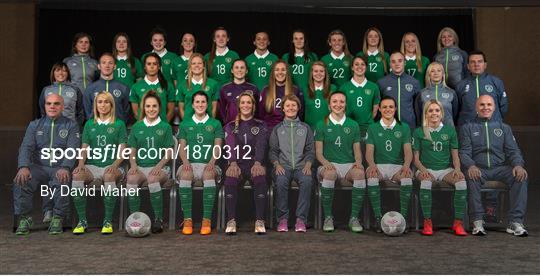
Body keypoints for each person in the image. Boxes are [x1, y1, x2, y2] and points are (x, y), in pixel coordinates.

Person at [459, 95, 528, 237]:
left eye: (489, 105)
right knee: (471, 176)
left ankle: (515, 222)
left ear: (494, 107)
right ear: (476, 107)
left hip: (500, 168)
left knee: (520, 176)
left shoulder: (504, 128)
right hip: (479, 168)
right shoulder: (468, 128)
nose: (486, 108)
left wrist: (518, 165)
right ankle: (477, 221)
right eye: (482, 105)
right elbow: (464, 152)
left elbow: (513, 151)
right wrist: (471, 165)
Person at [13, 94, 80, 235]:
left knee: (63, 179)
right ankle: (24, 218)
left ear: (62, 106)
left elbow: (72, 149)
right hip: (39, 167)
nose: (52, 106)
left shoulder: (71, 125)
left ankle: (58, 217)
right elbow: (26, 147)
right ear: (44, 106)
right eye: (49, 103)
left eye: (56, 104)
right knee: (20, 179)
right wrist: (23, 166)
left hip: (59, 166)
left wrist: (66, 167)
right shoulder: (35, 125)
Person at [71, 91, 128, 234]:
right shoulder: (90, 124)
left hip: (113, 166)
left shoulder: (119, 124)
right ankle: (82, 221)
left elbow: (122, 152)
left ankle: (107, 220)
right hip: (92, 166)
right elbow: (84, 149)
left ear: (111, 105)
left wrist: (114, 165)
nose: (103, 105)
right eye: (100, 102)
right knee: (77, 176)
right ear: (95, 105)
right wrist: (80, 165)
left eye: (106, 102)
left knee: (109, 176)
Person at [412, 99, 467, 236]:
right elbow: (416, 159)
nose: (434, 113)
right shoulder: (419, 132)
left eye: (437, 110)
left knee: (461, 183)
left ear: (442, 113)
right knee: (425, 182)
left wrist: (458, 169)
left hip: (445, 169)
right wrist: (423, 170)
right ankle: (427, 222)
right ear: (425, 114)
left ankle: (458, 222)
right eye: (430, 111)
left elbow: (455, 155)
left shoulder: (450, 131)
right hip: (425, 168)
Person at [315, 91, 366, 233]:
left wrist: (358, 162)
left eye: (341, 102)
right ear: (329, 105)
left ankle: (354, 218)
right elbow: (318, 152)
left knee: (360, 174)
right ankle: (328, 217)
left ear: (345, 105)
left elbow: (357, 150)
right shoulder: (321, 124)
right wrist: (325, 162)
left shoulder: (353, 125)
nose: (338, 104)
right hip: (329, 164)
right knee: (330, 174)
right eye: (335, 101)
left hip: (348, 165)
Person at [126, 91, 175, 233]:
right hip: (141, 166)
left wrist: (159, 166)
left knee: (153, 178)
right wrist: (134, 165)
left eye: (154, 106)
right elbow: (132, 151)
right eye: (148, 106)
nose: (151, 109)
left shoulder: (165, 127)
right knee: (131, 178)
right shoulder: (137, 127)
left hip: (161, 168)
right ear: (143, 108)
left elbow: (169, 153)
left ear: (159, 108)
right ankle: (134, 219)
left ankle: (158, 219)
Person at [177, 91, 224, 235]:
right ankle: (188, 219)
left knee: (209, 172)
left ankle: (206, 220)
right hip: (189, 164)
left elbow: (218, 146)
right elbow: (181, 147)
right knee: (185, 173)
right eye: (197, 102)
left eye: (203, 102)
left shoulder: (215, 123)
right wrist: (185, 162)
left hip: (209, 164)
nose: (200, 105)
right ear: (192, 104)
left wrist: (212, 161)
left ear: (207, 104)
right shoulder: (185, 124)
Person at [223, 92, 269, 234]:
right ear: (238, 106)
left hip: (254, 164)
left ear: (253, 106)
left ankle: (260, 220)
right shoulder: (230, 126)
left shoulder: (260, 125)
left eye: (249, 102)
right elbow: (230, 145)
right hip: (237, 164)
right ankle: (231, 220)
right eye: (242, 102)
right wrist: (232, 163)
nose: (246, 105)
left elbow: (261, 145)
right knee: (230, 178)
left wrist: (258, 163)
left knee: (260, 177)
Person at [365, 96, 413, 232]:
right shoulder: (373, 127)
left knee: (407, 178)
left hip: (397, 166)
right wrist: (372, 165)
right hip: (378, 165)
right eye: (384, 107)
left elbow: (408, 151)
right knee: (372, 178)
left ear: (396, 109)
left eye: (391, 107)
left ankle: (403, 218)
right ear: (379, 109)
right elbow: (369, 152)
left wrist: (406, 165)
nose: (388, 109)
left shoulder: (403, 127)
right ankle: (378, 218)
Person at [269, 94, 314, 233]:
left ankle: (301, 220)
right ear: (283, 108)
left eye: (294, 105)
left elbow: (310, 150)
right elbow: (272, 151)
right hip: (283, 166)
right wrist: (277, 164)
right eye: (288, 105)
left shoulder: (306, 128)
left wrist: (308, 165)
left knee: (307, 181)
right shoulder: (277, 129)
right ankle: (282, 219)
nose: (291, 108)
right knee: (281, 181)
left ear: (298, 108)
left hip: (301, 167)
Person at [456, 50, 508, 126]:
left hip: (493, 126)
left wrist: (496, 120)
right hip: (468, 128)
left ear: (485, 65)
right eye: (472, 62)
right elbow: (456, 109)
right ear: (468, 66)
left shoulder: (496, 82)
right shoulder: (461, 85)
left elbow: (504, 107)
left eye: (479, 61)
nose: (476, 64)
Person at [338, 55, 380, 141]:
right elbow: (340, 109)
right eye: (356, 64)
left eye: (362, 64)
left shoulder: (374, 87)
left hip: (369, 129)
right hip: (349, 128)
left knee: (368, 153)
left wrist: (366, 121)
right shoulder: (344, 87)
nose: (359, 67)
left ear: (366, 67)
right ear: (352, 67)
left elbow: (375, 110)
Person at [377, 51, 421, 130]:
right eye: (393, 62)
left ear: (404, 62)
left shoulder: (414, 82)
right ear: (390, 64)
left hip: (409, 126)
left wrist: (418, 125)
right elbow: (378, 107)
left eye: (400, 61)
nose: (397, 64)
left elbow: (418, 107)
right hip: (387, 126)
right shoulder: (381, 82)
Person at [83, 53, 131, 124]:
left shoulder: (123, 88)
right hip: (96, 129)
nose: (107, 66)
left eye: (110, 63)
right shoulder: (90, 88)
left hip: (117, 129)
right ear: (99, 66)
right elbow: (87, 111)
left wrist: (120, 124)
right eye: (104, 63)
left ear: (114, 66)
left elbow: (126, 111)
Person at [258, 60, 304, 131]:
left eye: (283, 70)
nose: (280, 72)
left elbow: (300, 114)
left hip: (289, 130)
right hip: (269, 130)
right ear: (273, 73)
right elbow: (260, 115)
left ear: (287, 72)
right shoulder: (266, 90)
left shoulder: (295, 90)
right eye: (277, 70)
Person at [129, 53, 175, 122]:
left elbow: (171, 110)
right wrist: (144, 125)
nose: (152, 66)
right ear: (144, 67)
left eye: (155, 64)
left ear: (159, 66)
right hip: (143, 128)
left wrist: (163, 125)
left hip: (162, 128)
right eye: (149, 64)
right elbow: (135, 112)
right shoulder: (135, 87)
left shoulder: (168, 85)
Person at [39, 62, 84, 127]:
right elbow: (43, 111)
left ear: (67, 73)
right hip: (50, 127)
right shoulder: (46, 90)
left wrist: (76, 126)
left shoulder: (75, 90)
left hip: (70, 127)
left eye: (64, 71)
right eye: (58, 70)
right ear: (53, 73)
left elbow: (81, 112)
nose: (61, 73)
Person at [177, 53, 219, 120]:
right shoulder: (182, 85)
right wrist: (185, 123)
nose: (197, 65)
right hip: (188, 125)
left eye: (199, 63)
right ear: (190, 66)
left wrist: (211, 123)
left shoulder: (213, 84)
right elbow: (181, 108)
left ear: (204, 66)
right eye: (193, 63)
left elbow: (214, 107)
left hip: (207, 124)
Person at [417, 62, 458, 127]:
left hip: (447, 131)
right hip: (427, 131)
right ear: (429, 74)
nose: (436, 73)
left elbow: (455, 113)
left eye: (439, 70)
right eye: (432, 71)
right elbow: (419, 114)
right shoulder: (422, 93)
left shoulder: (451, 92)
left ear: (443, 74)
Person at [219, 59, 259, 125]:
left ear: (246, 71)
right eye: (236, 67)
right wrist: (226, 125)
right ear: (232, 70)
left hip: (249, 126)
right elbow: (222, 111)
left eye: (242, 68)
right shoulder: (225, 89)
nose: (239, 70)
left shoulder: (253, 89)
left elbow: (257, 112)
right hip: (231, 127)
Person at [282, 29, 318, 94]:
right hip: (291, 92)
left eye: (301, 38)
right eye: (296, 39)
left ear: (305, 40)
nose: (299, 41)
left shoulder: (313, 56)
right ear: (292, 41)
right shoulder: (285, 57)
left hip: (309, 92)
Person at [303, 61, 336, 129]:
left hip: (328, 128)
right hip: (309, 129)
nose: (318, 73)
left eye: (321, 71)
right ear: (311, 73)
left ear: (325, 73)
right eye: (316, 71)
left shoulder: (333, 88)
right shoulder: (304, 89)